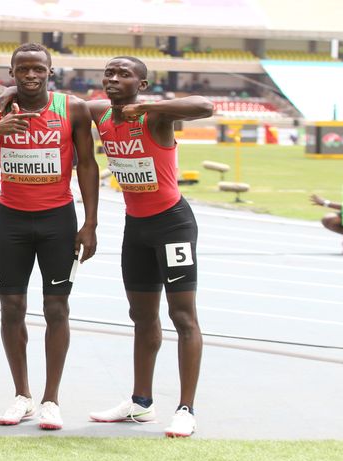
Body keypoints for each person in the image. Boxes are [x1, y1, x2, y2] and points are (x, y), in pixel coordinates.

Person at [0, 43, 99, 430]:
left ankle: (51, 400)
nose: (30, 75)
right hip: (11, 220)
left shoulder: (72, 108)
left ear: (50, 72)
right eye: (22, 69)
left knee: (56, 309)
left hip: (58, 220)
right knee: (11, 308)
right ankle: (22, 395)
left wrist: (90, 223)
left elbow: (88, 164)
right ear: (11, 73)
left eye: (38, 69)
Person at [85, 56, 213, 438]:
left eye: (124, 74)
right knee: (141, 316)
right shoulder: (99, 113)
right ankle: (141, 403)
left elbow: (205, 107)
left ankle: (186, 409)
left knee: (183, 316)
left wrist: (147, 107)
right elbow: (57, 101)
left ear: (141, 84)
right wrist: (8, 91)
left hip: (172, 223)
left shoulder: (155, 118)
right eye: (109, 73)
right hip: (135, 227)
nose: (113, 78)